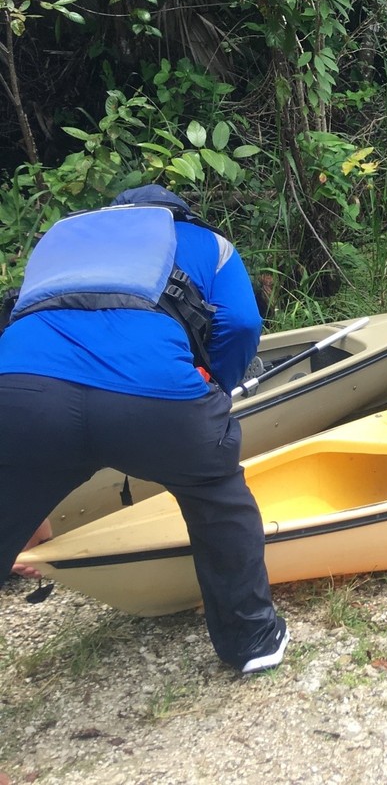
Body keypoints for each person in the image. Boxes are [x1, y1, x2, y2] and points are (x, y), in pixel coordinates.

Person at [0, 185, 288, 674]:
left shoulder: (59, 239)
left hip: (25, 391)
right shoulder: (207, 242)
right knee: (217, 497)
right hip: (157, 395)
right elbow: (240, 324)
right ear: (179, 212)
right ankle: (252, 642)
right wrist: (214, 387)